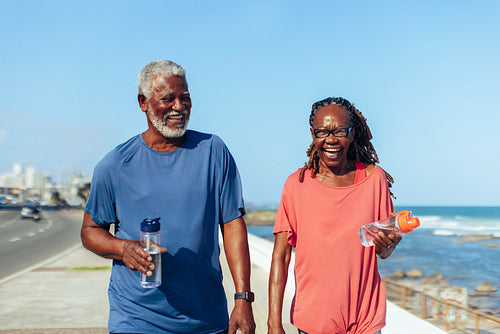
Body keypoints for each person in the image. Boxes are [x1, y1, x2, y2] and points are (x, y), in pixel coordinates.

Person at [81, 60, 256, 334]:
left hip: (206, 319)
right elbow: (91, 230)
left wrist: (242, 297)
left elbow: (232, 224)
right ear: (143, 102)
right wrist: (123, 248)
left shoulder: (213, 151)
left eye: (185, 97)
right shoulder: (115, 164)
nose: (179, 106)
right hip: (136, 319)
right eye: (168, 98)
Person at [267, 97, 401, 334]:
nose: (331, 140)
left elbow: (383, 251)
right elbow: (281, 257)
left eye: (339, 131)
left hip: (365, 322)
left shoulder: (374, 180)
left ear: (352, 133)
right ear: (312, 134)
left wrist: (387, 245)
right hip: (313, 322)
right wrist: (273, 322)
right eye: (322, 132)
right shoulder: (296, 185)